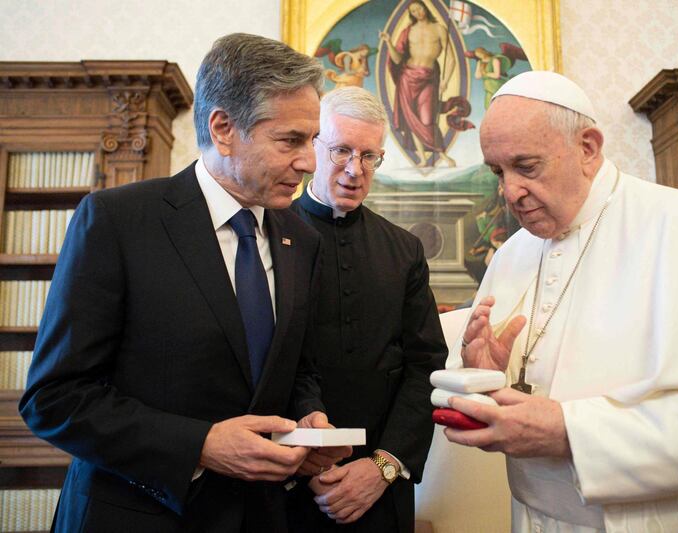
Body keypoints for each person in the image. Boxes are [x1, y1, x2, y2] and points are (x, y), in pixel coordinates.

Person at [19, 33, 350, 532]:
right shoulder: (118, 222)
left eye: (312, 141)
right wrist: (200, 446)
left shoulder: (301, 239)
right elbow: (54, 398)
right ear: (223, 128)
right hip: (137, 516)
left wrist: (309, 420)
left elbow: (297, 369)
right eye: (291, 141)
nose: (309, 162)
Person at [445, 70, 678, 532]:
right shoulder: (512, 253)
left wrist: (571, 431)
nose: (509, 192)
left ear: (588, 148)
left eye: (526, 167)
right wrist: (486, 374)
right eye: (498, 172)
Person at [288, 86, 447, 532]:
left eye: (370, 156)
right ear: (314, 145)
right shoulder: (266, 233)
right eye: (341, 151)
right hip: (282, 483)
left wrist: (384, 466)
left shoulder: (404, 249)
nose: (355, 170)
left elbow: (426, 365)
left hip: (379, 490)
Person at [379, 1, 456, 168]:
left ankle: (442, 155)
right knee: (410, 118)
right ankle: (422, 158)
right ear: (411, 14)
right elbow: (398, 59)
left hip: (428, 78)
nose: (417, 12)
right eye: (413, 11)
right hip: (407, 77)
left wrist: (446, 80)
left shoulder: (439, 29)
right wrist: (388, 42)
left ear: (425, 8)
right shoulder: (408, 31)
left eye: (419, 8)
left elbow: (450, 58)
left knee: (427, 118)